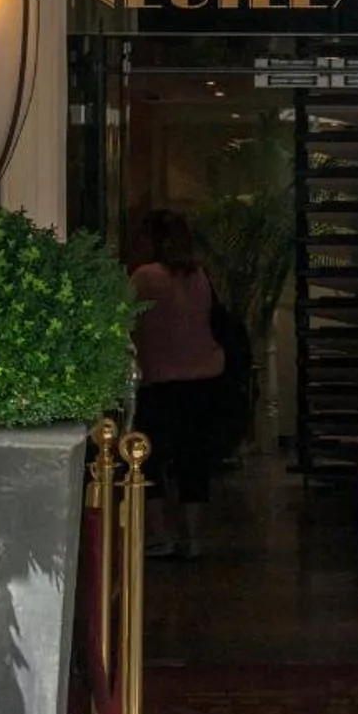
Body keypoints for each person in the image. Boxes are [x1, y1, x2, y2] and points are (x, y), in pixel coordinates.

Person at [130, 209, 226, 561]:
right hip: (203, 378)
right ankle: (194, 537)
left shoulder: (143, 277)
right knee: (193, 460)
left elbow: (126, 322)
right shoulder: (199, 275)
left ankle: (161, 536)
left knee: (148, 461)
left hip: (158, 380)